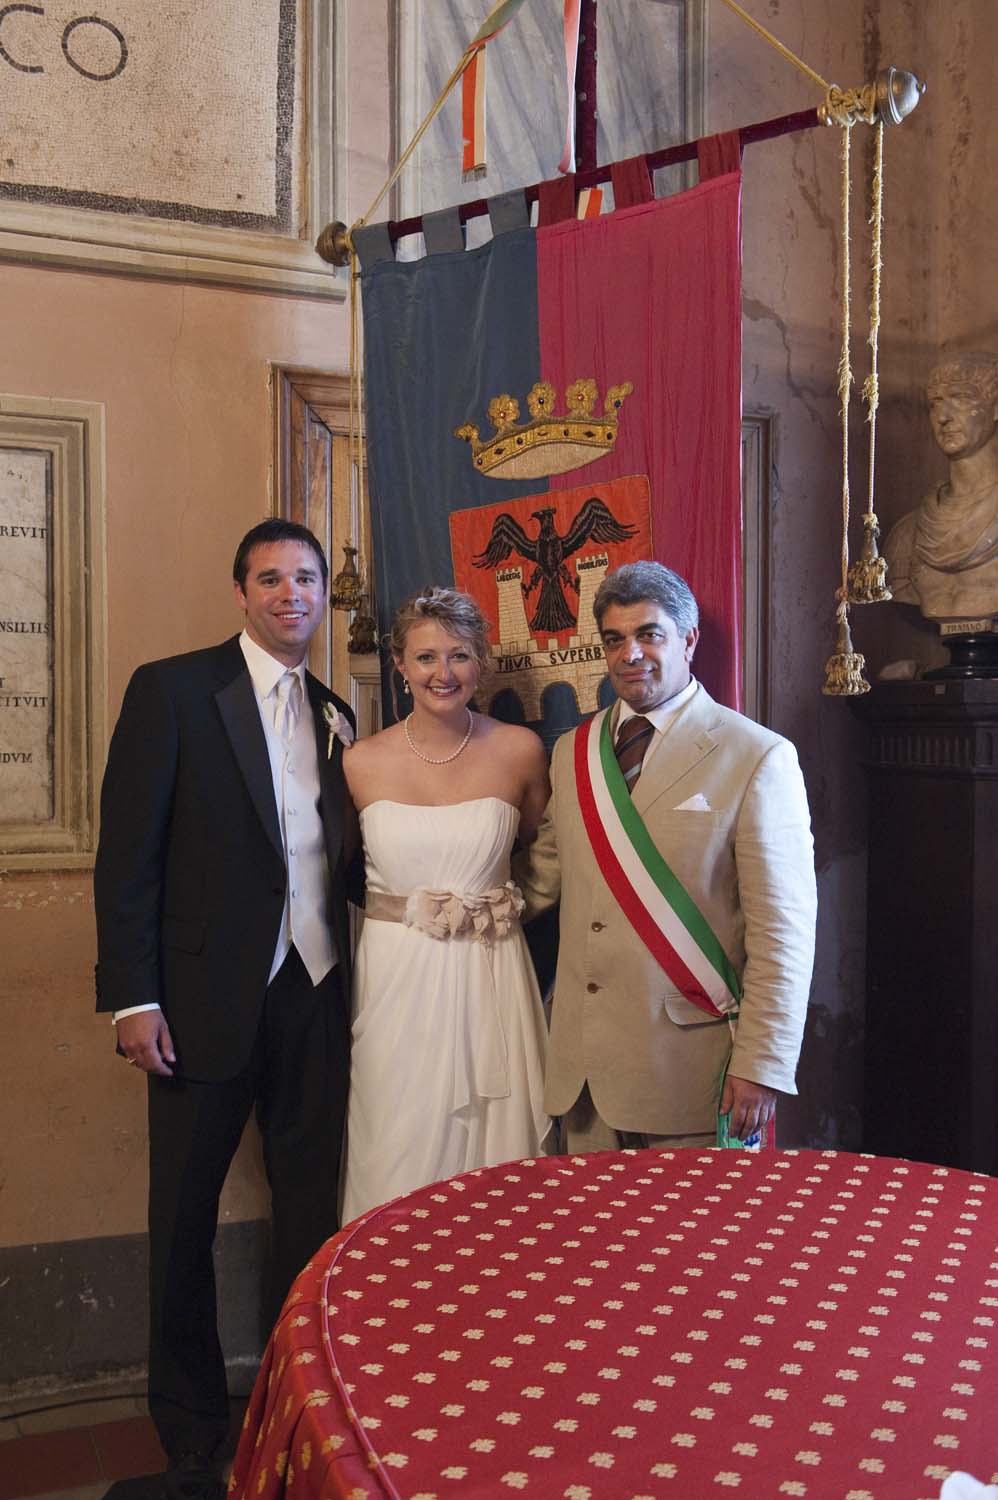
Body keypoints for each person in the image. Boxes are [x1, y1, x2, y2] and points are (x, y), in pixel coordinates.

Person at [94, 520, 356, 1500]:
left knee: (310, 1220)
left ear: (324, 593)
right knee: (183, 1223)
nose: (290, 593)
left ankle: (299, 1407)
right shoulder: (172, 690)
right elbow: (130, 857)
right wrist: (134, 997)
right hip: (198, 1005)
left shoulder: (338, 712)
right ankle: (194, 1429)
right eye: (269, 578)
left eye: (306, 577)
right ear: (240, 592)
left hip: (316, 999)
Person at [515, 561, 816, 1151]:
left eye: (649, 634)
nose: (631, 654)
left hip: (693, 1072)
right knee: (589, 1242)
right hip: (583, 1073)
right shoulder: (574, 751)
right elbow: (544, 878)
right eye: (614, 639)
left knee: (699, 1243)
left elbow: (784, 932)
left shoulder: (756, 756)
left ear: (688, 639)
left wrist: (762, 1064)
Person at [341, 587, 551, 1222]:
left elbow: (548, 852)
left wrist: (506, 908)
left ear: (480, 664)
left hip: (492, 971)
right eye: (425, 657)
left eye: (458, 655)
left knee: (498, 1163)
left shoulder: (519, 750)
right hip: (397, 977)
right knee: (394, 1137)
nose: (442, 672)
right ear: (400, 667)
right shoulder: (359, 762)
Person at [884, 353, 998, 622]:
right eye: (935, 404)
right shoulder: (907, 535)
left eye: (960, 398)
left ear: (995, 408)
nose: (943, 417)